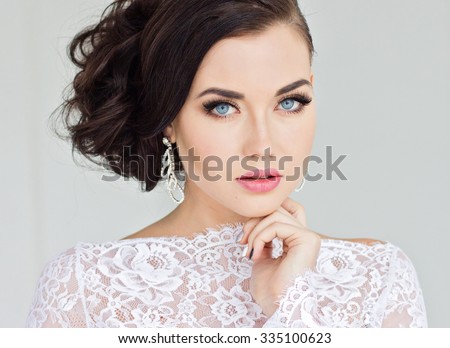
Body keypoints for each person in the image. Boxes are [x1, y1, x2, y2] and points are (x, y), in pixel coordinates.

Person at [26, 0, 427, 328]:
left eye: (289, 102)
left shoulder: (378, 279)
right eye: (222, 107)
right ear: (168, 118)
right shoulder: (84, 289)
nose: (262, 146)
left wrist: (290, 306)